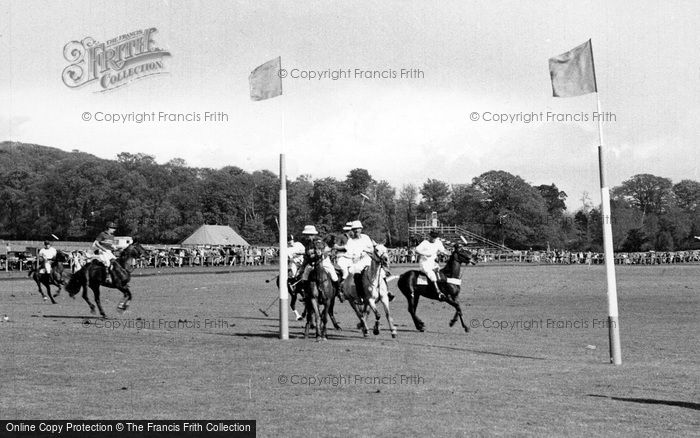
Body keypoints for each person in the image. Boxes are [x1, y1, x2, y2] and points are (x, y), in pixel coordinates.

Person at [415, 228, 450, 301]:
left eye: (435, 237)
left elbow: (443, 250)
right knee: (432, 275)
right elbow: (416, 250)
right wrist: (425, 254)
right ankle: (438, 292)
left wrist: (449, 252)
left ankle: (442, 288)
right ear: (429, 236)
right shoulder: (425, 242)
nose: (434, 238)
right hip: (424, 263)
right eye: (432, 236)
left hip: (433, 263)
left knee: (440, 274)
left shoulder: (438, 242)